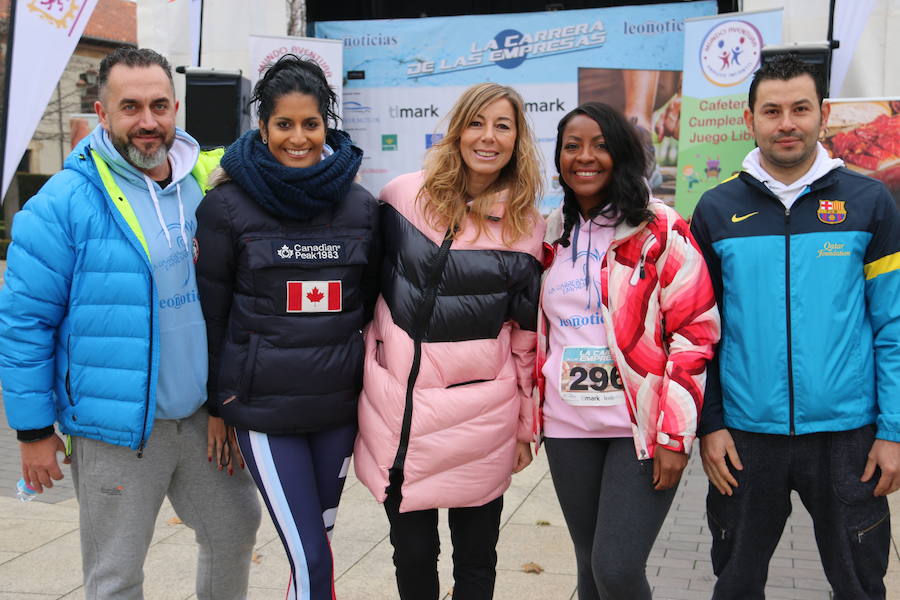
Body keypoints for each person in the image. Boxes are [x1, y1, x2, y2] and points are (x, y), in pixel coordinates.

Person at [0, 47, 260, 599]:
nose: (147, 122)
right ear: (102, 111)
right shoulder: (62, 203)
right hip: (115, 428)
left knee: (235, 529)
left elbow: (292, 152)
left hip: (201, 418)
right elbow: (25, 322)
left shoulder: (208, 182)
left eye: (160, 106)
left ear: (177, 107)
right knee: (116, 574)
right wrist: (33, 431)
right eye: (131, 107)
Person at [691, 54, 900, 599]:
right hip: (745, 436)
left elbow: (893, 326)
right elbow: (699, 331)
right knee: (735, 584)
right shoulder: (715, 209)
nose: (787, 123)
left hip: (847, 436)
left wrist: (893, 431)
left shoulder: (871, 202)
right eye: (773, 110)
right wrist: (709, 425)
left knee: (860, 585)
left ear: (823, 115)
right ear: (750, 120)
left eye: (800, 109)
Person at [195, 54, 379, 600]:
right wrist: (216, 406)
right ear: (263, 125)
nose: (297, 138)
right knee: (310, 555)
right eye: (284, 124)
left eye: (310, 123)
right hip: (261, 411)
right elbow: (212, 314)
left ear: (328, 125)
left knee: (315, 545)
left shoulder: (362, 209)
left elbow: (364, 307)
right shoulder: (225, 206)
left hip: (335, 410)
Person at [353, 82, 545, 599]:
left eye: (502, 126)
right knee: (413, 560)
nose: (488, 137)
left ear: (518, 139)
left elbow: (526, 338)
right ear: (457, 130)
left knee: (476, 564)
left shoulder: (527, 227)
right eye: (477, 123)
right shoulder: (400, 197)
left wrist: (525, 427)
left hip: (480, 420)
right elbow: (363, 288)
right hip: (400, 418)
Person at [538, 102, 720, 599]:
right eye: (571, 146)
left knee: (616, 568)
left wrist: (675, 435)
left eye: (599, 144)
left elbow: (695, 332)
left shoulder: (660, 228)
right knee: (588, 567)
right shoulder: (553, 232)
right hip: (567, 425)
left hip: (637, 428)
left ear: (621, 152)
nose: (585, 156)